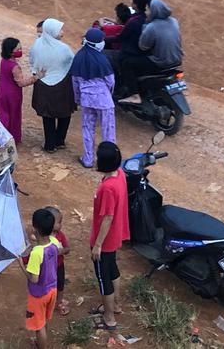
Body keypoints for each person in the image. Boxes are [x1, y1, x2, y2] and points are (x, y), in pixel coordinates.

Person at [89, 141, 129, 334]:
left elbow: (107, 217)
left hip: (104, 240)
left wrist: (97, 244)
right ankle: (116, 305)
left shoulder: (108, 188)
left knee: (103, 277)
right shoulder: (119, 175)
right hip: (114, 238)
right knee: (112, 270)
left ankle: (109, 317)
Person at [71, 28, 116, 170]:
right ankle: (109, 163)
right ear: (98, 43)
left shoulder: (78, 56)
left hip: (87, 100)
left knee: (87, 128)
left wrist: (78, 99)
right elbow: (110, 81)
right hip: (104, 101)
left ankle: (88, 159)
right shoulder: (102, 59)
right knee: (108, 131)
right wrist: (108, 94)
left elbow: (75, 82)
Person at [30, 19, 75, 153]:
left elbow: (32, 61)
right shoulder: (64, 48)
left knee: (47, 115)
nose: (63, 32)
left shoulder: (37, 44)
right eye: (60, 30)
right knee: (65, 112)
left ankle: (49, 144)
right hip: (62, 85)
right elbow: (72, 63)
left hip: (43, 83)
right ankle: (60, 141)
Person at [23, 208, 60, 349]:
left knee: (39, 327)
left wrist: (22, 266)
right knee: (44, 320)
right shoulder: (54, 242)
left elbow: (34, 279)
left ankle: (41, 345)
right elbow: (41, 239)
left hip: (38, 294)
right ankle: (41, 343)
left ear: (35, 229)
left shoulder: (36, 253)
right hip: (52, 290)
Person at [121, 0, 183, 83]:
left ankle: (133, 92)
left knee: (127, 63)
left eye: (148, 10)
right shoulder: (174, 21)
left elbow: (143, 47)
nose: (147, 12)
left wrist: (145, 28)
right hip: (177, 60)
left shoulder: (151, 27)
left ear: (154, 11)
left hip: (161, 62)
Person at [0, 37, 37, 144]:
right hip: (13, 95)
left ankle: (2, 137)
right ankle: (13, 138)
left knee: (4, 115)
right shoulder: (14, 67)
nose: (20, 50)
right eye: (18, 49)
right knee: (14, 116)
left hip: (2, 92)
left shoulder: (4, 61)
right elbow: (21, 83)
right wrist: (35, 78)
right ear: (11, 51)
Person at [44, 207, 71, 316]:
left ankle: (59, 302)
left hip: (59, 265)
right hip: (46, 268)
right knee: (47, 286)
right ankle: (46, 303)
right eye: (59, 222)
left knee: (60, 284)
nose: (61, 225)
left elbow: (68, 249)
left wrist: (62, 251)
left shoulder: (60, 236)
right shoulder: (42, 237)